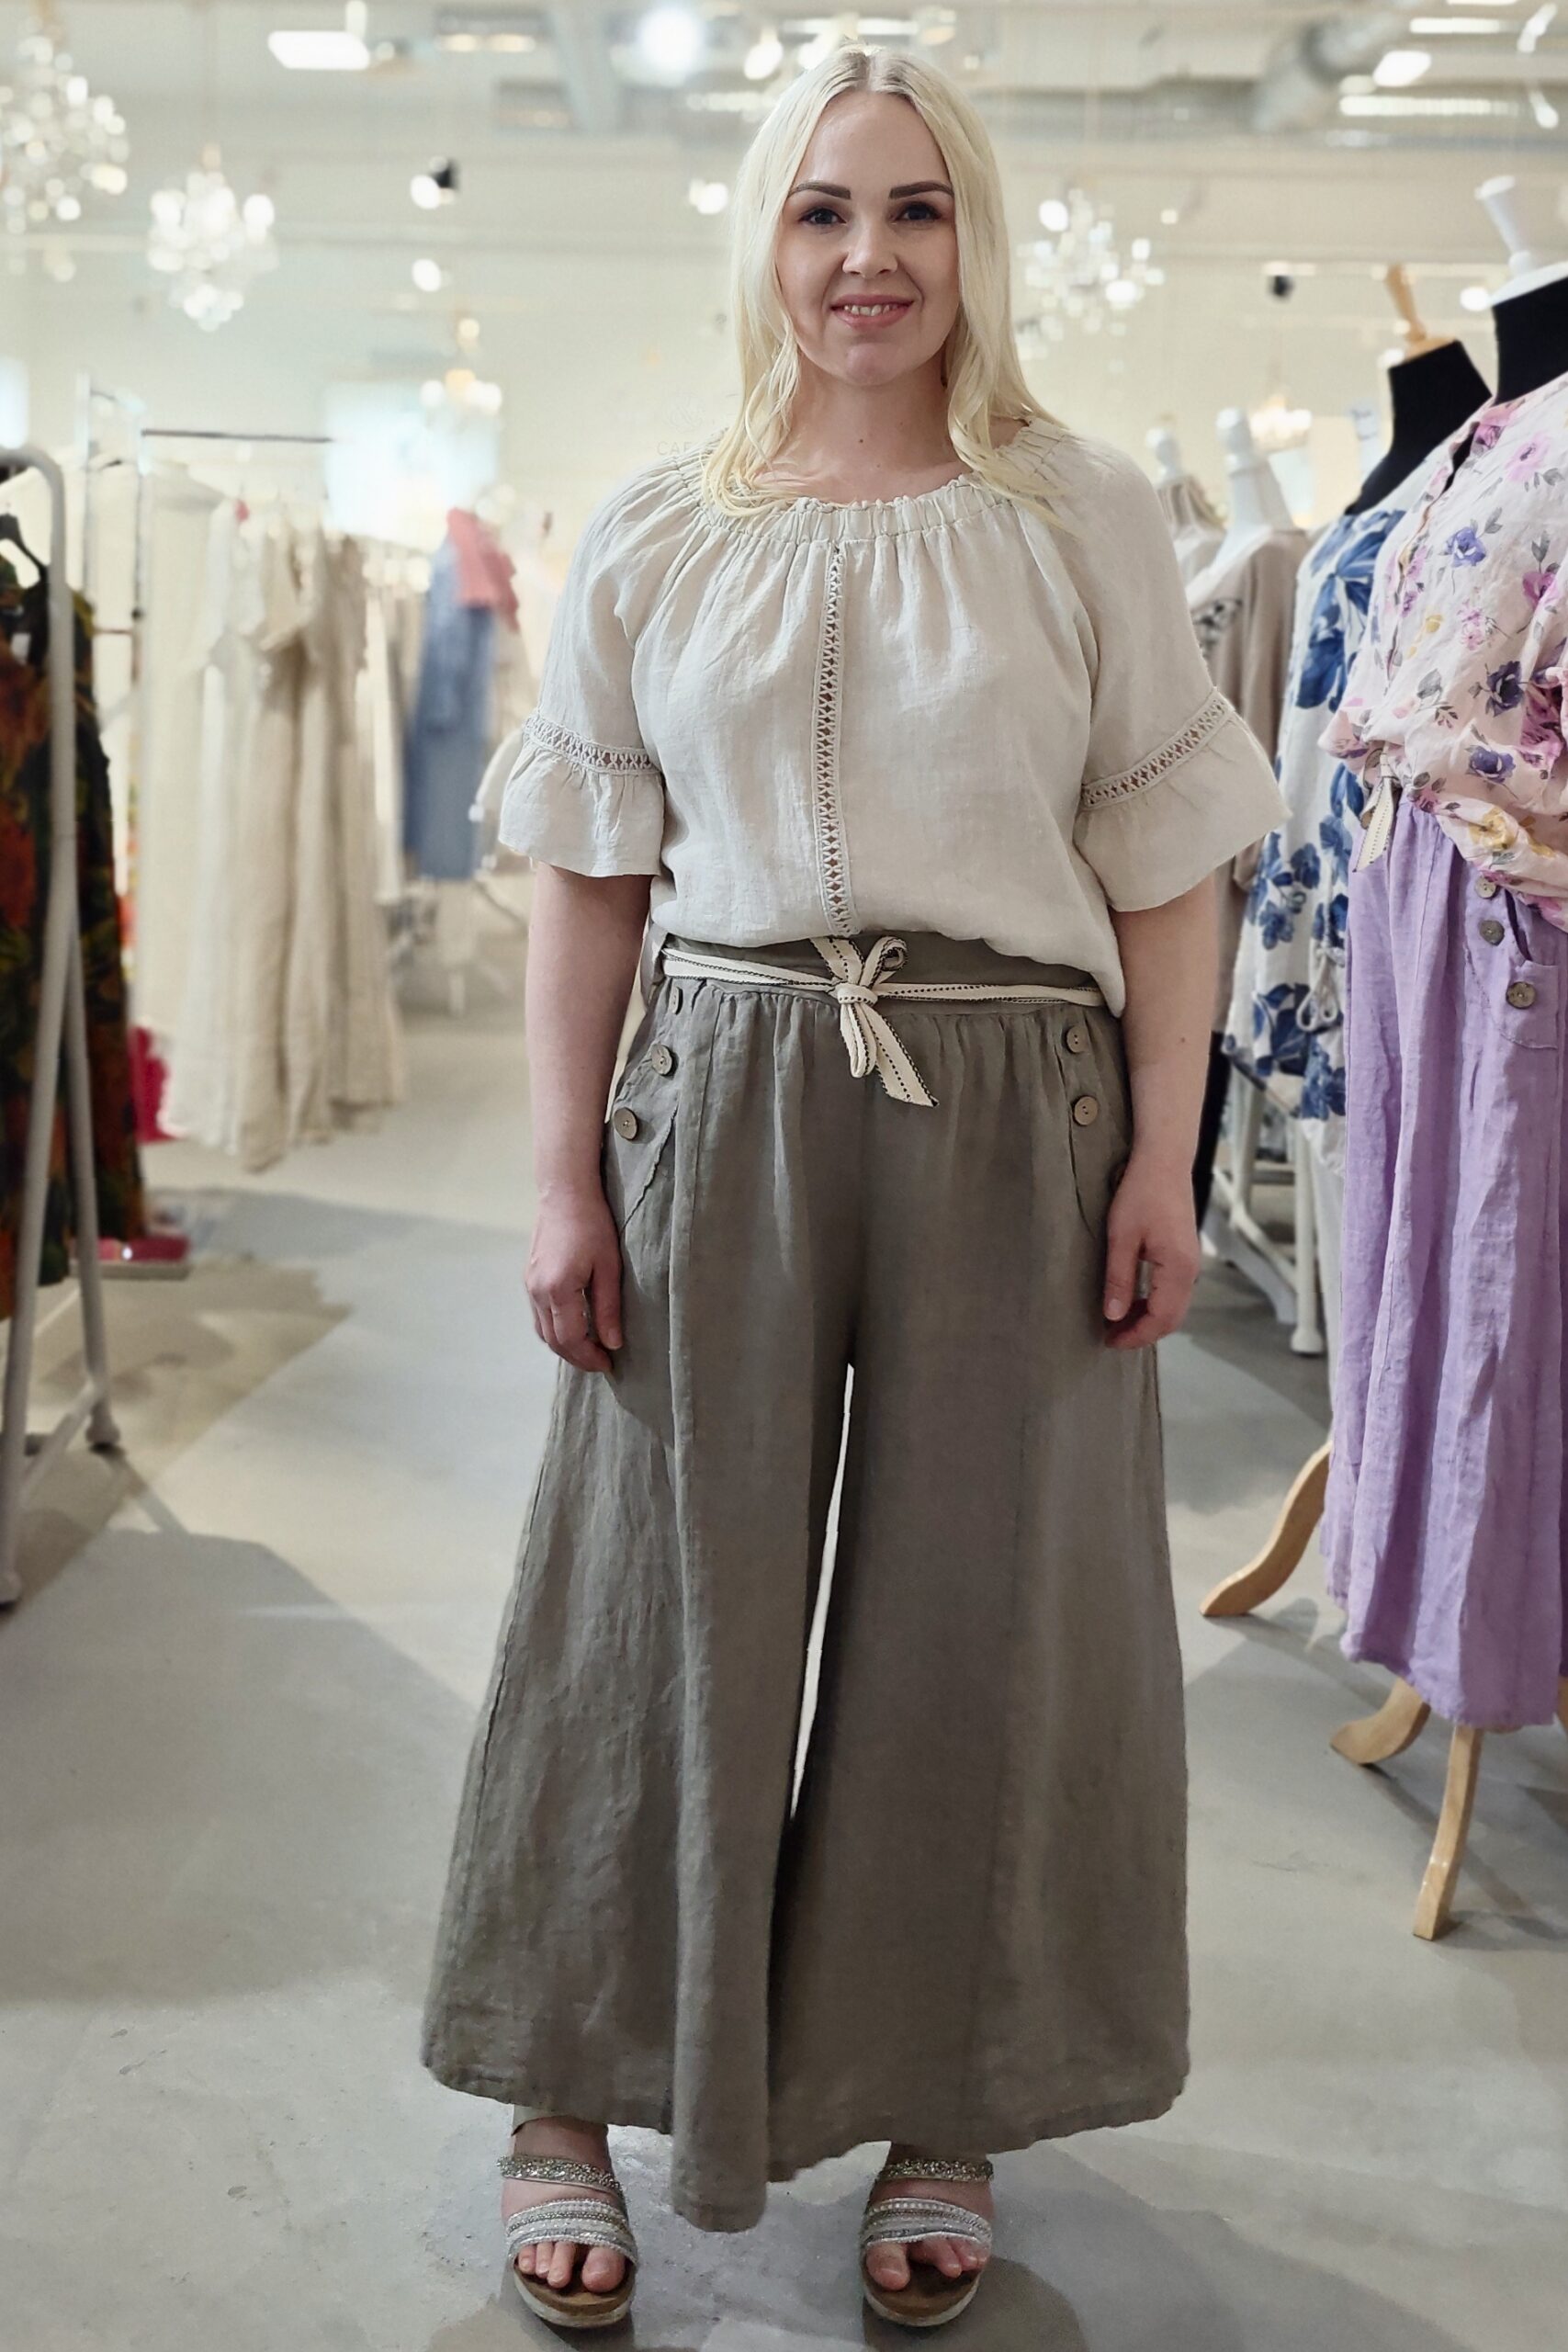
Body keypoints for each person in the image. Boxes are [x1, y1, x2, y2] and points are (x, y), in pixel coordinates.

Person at [421, 40, 1284, 2334]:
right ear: (762, 237)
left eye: (913, 208)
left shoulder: (1080, 511)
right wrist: (559, 1179)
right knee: (642, 1591)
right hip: (716, 1075)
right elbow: (590, 875)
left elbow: (1168, 861)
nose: (867, 257)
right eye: (821, 209)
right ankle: (566, 2083)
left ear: (971, 237)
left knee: (976, 1615)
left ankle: (937, 2095)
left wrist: (1166, 1153)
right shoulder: (656, 524)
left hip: (1019, 1096)